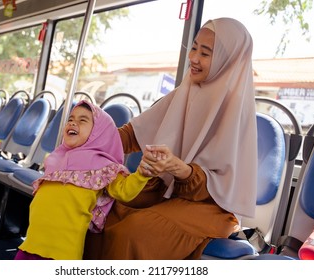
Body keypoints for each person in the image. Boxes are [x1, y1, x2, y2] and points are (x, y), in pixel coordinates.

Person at [84, 17, 258, 260]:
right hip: (167, 190)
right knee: (98, 211)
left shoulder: (236, 111)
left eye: (205, 53)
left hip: (211, 207)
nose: (194, 58)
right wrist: (86, 139)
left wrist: (181, 169)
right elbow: (132, 134)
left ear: (227, 60)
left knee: (133, 231)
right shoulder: (185, 92)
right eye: (194, 48)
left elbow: (222, 189)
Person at [14, 100, 154, 260]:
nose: (73, 123)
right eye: (71, 119)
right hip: (31, 244)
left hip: (62, 253)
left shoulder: (105, 166)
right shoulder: (57, 157)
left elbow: (124, 191)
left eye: (82, 120)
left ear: (98, 132)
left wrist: (142, 173)